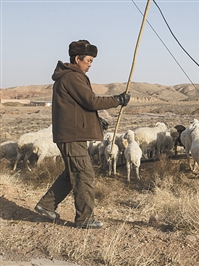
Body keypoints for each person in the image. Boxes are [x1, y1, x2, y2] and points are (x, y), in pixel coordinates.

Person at [34, 40, 131, 229]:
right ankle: (84, 219)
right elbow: (91, 101)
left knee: (73, 173)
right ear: (77, 59)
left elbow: (78, 107)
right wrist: (117, 100)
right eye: (88, 60)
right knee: (83, 174)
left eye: (92, 61)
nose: (90, 64)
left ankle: (45, 205)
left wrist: (95, 120)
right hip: (72, 136)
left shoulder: (70, 77)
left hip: (70, 134)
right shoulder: (73, 77)